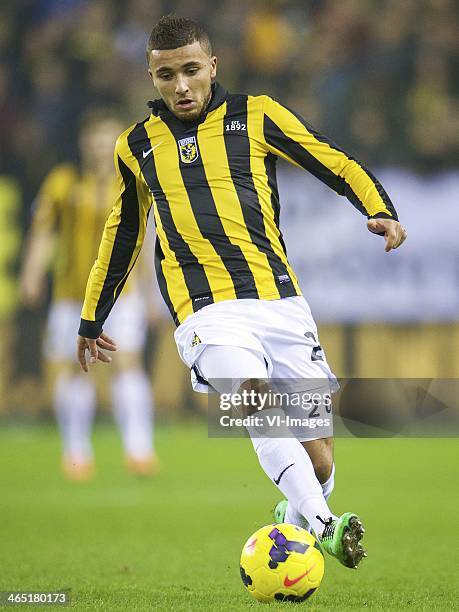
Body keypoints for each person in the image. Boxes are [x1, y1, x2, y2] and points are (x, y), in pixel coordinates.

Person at [77, 15, 407, 567]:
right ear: (150, 77)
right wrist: (92, 317)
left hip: (279, 301)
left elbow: (330, 159)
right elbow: (124, 232)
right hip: (204, 308)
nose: (180, 86)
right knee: (252, 395)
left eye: (189, 70)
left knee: (319, 460)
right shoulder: (135, 146)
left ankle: (295, 519)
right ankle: (326, 526)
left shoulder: (256, 114)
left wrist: (378, 207)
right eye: (165, 76)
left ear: (212, 66)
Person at [22, 109, 159, 480]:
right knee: (75, 369)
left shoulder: (131, 182)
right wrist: (33, 272)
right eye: (93, 141)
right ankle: (77, 453)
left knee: (128, 363)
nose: (99, 149)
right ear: (84, 145)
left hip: (122, 294)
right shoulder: (62, 182)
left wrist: (150, 291)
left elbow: (145, 242)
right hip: (71, 296)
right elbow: (44, 231)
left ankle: (139, 451)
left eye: (106, 141)